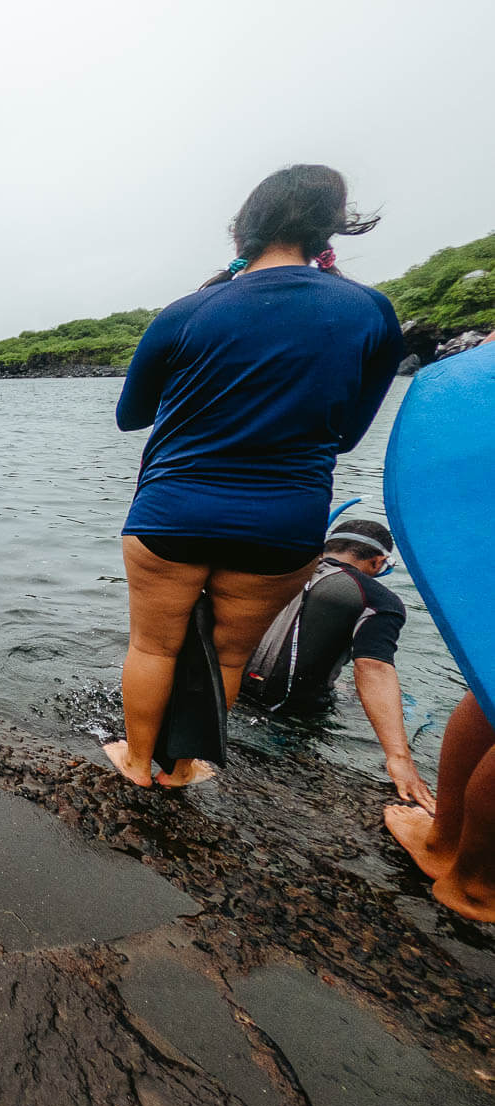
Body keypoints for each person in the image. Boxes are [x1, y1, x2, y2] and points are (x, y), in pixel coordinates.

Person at [104, 164, 403, 788]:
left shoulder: (190, 309)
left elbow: (131, 415)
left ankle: (136, 761)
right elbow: (347, 434)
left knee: (153, 646)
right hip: (284, 520)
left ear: (244, 227)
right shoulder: (370, 310)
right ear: (331, 230)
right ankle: (185, 767)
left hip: (173, 509)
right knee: (233, 653)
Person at [383, 336, 495, 922]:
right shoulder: (374, 598)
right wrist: (397, 757)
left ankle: (445, 842)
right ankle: (477, 887)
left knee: (490, 683)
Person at [241, 518, 434, 811]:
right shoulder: (377, 598)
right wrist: (399, 757)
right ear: (379, 561)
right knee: (417, 708)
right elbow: (373, 667)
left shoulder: (275, 567)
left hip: (228, 694)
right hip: (293, 715)